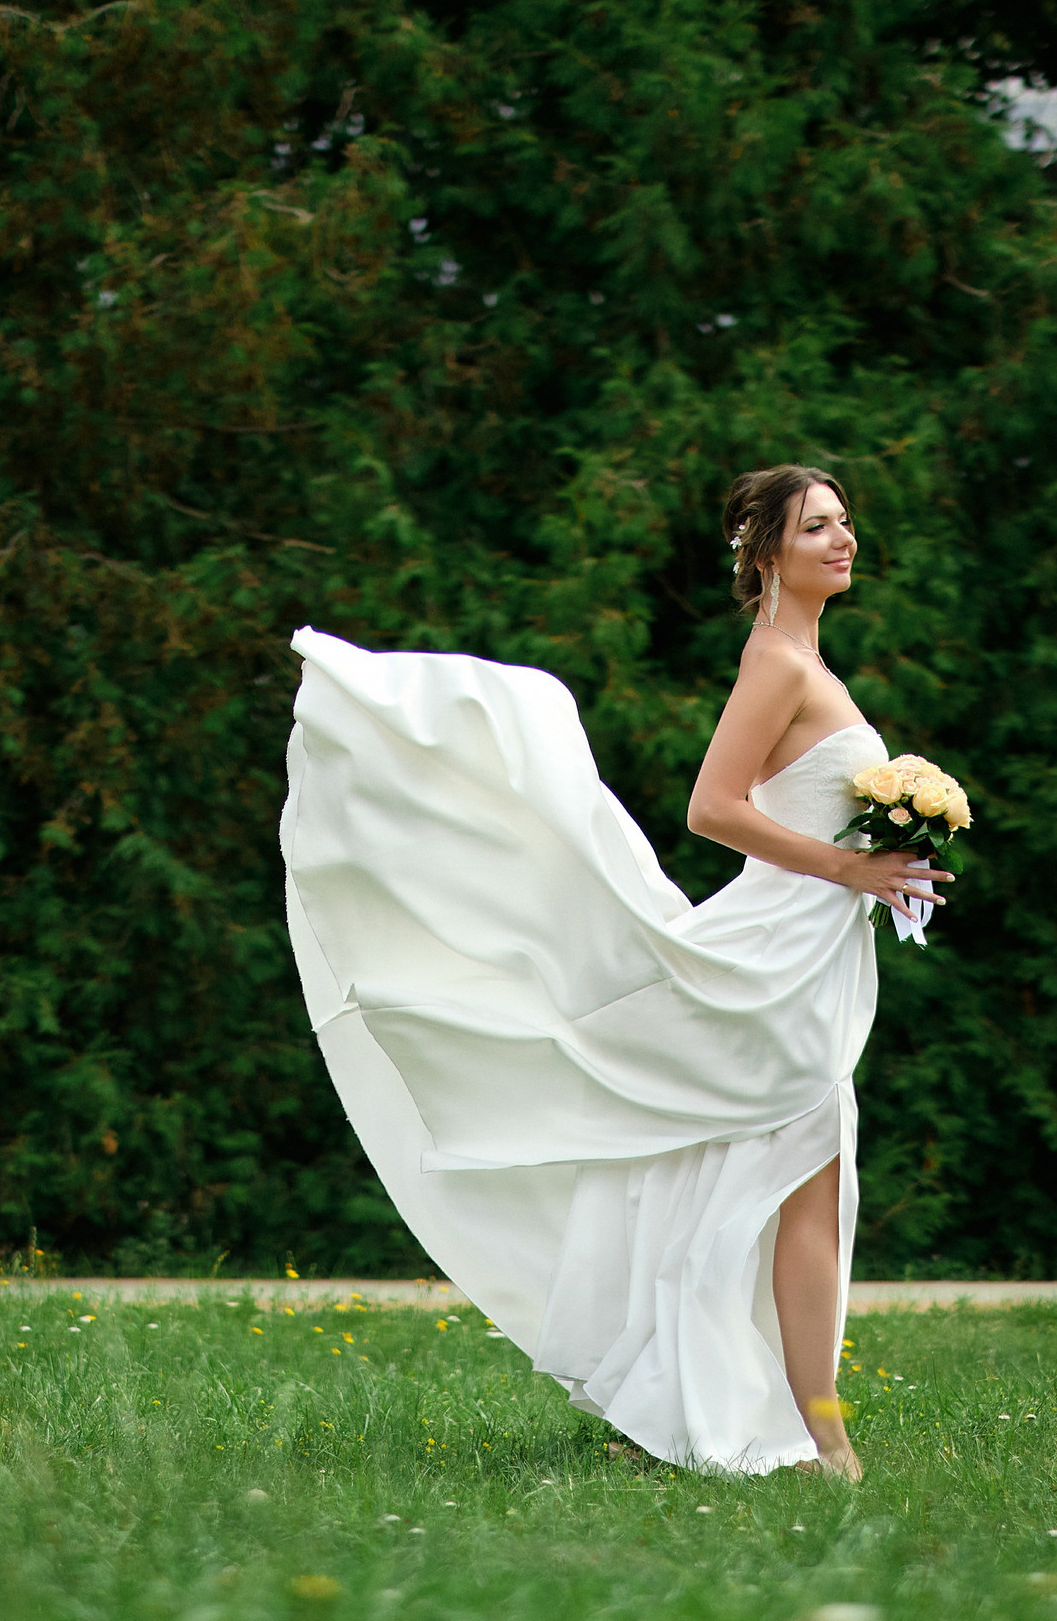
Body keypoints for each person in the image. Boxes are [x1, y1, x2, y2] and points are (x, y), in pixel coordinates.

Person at [279, 465, 954, 1478]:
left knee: (791, 1188)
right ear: (766, 553)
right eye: (817, 527)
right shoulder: (776, 661)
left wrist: (875, 855)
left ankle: (739, 1410)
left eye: (845, 522)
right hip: (770, 958)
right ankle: (815, 1436)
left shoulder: (805, 657)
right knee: (798, 1187)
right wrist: (853, 863)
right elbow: (712, 810)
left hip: (810, 953)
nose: (842, 539)